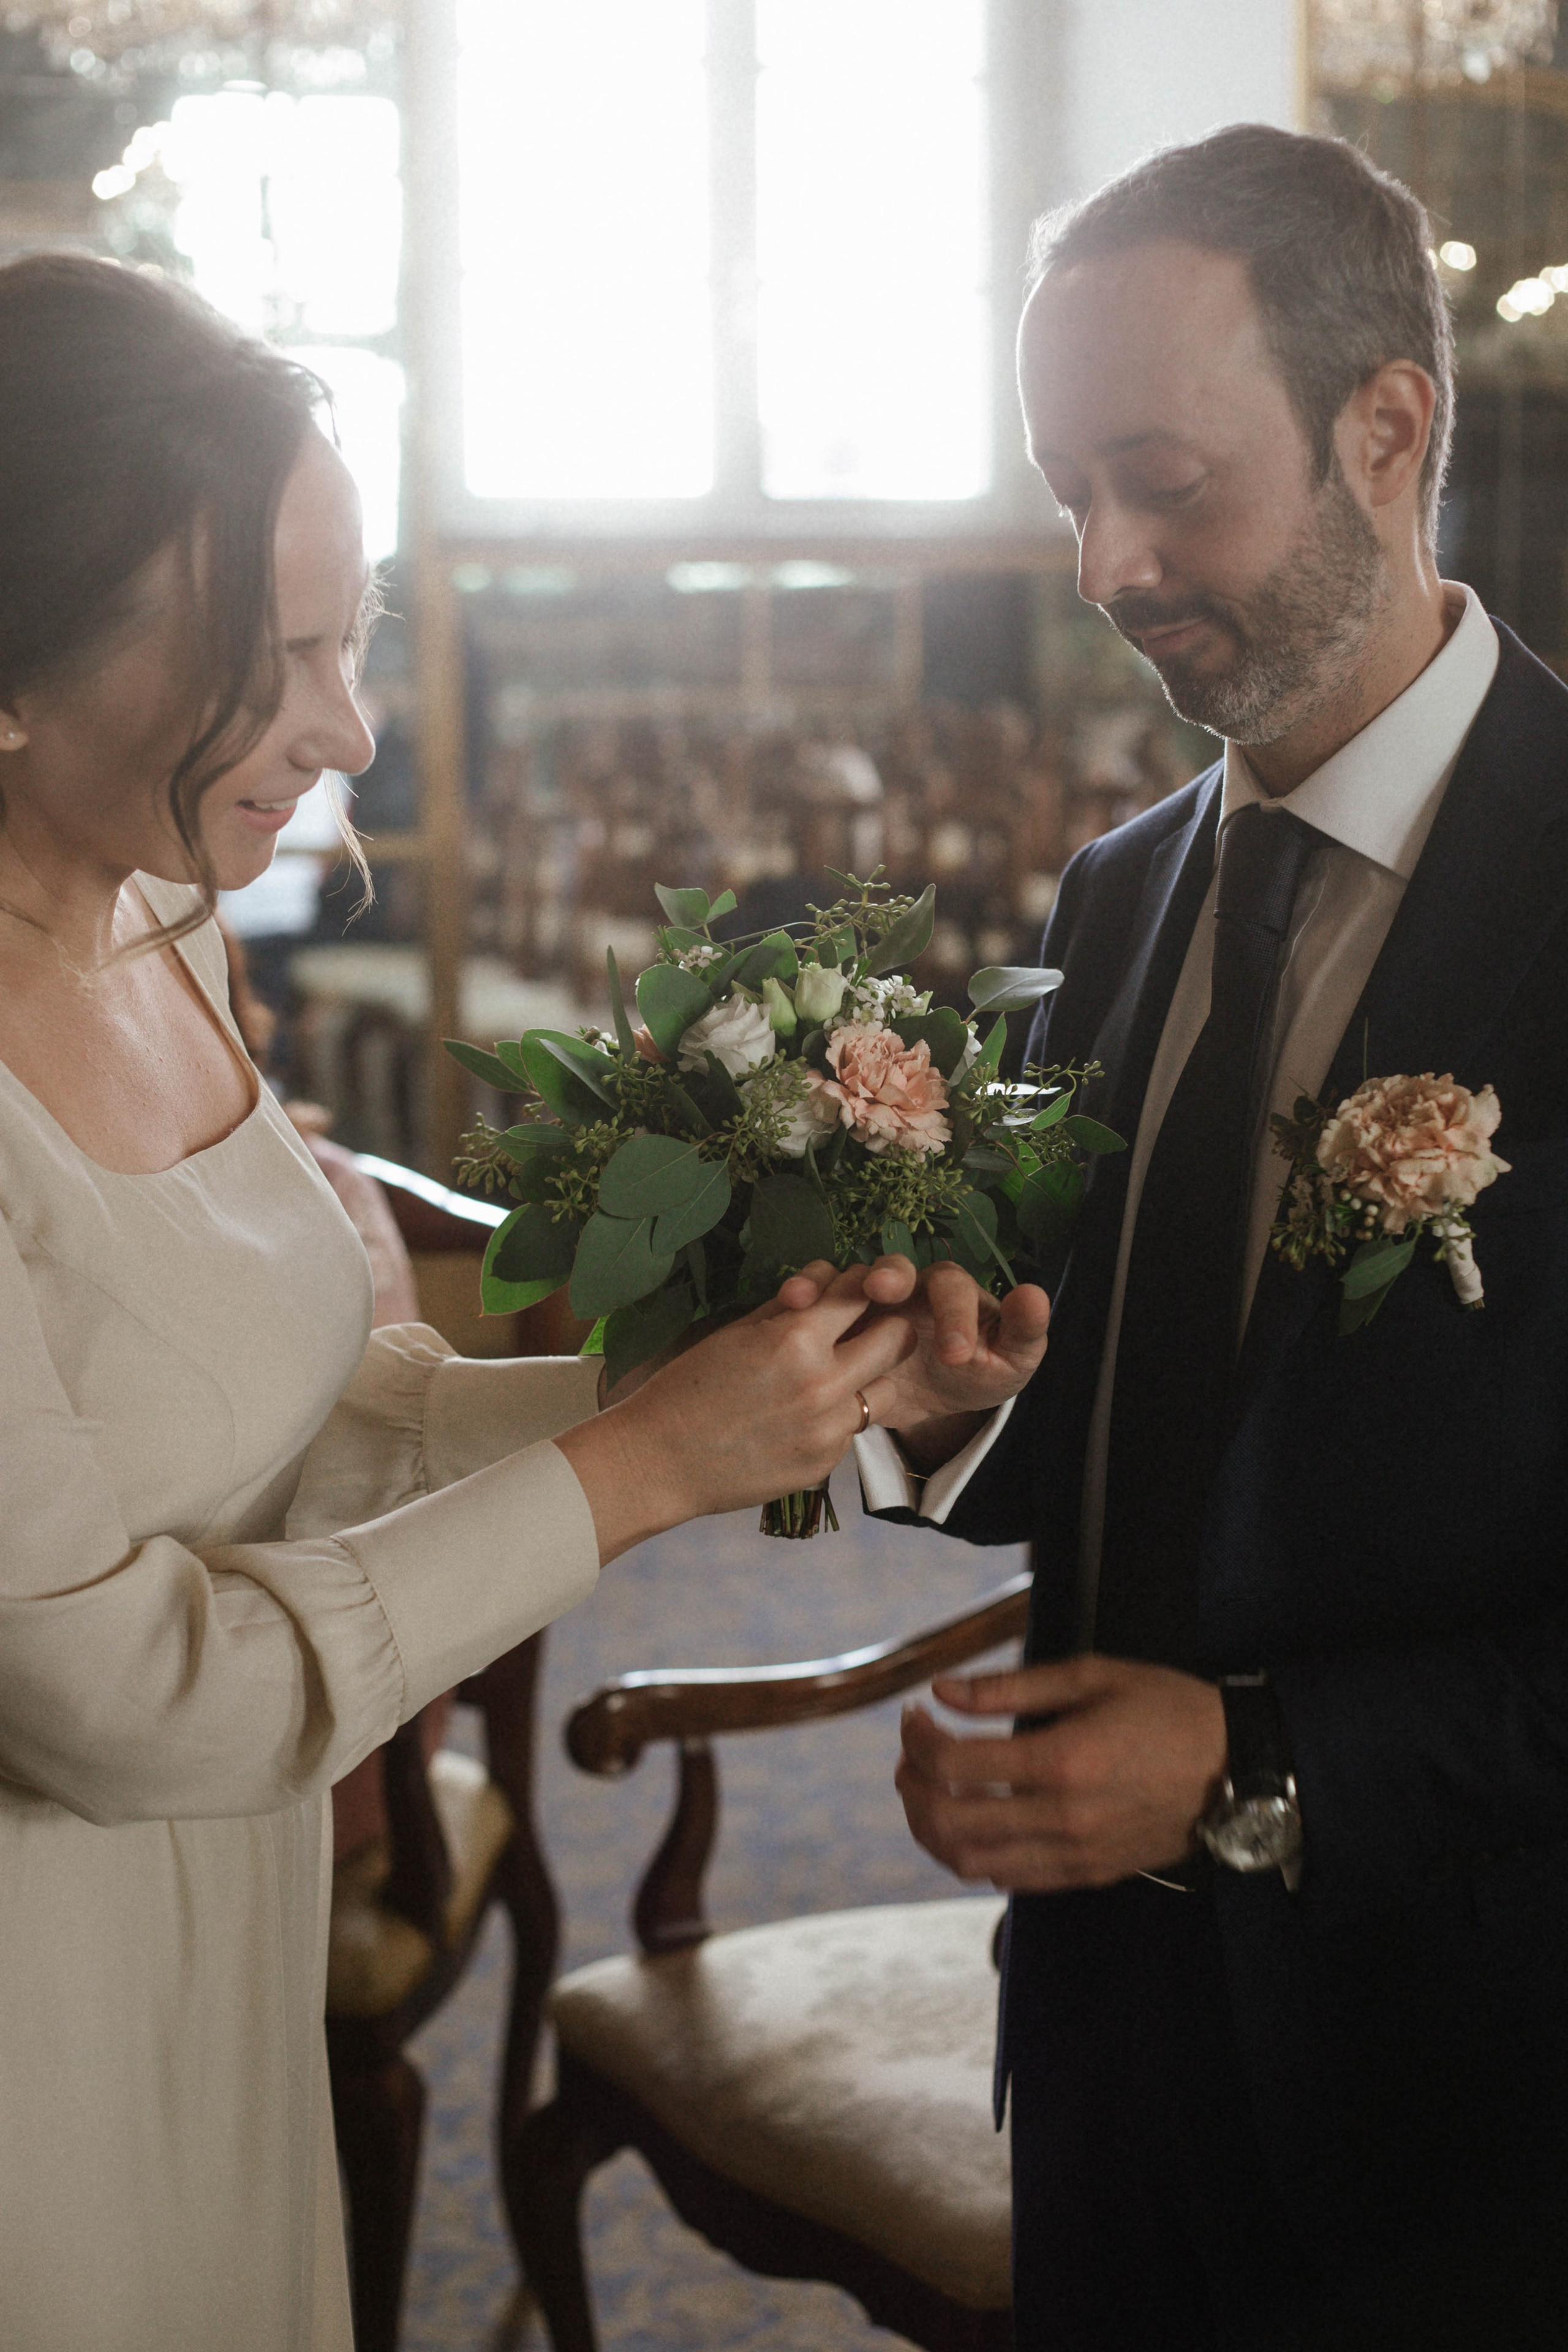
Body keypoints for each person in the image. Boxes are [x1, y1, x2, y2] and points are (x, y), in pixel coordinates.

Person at [0, 254, 1004, 2352]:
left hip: (224, 1936)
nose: (351, 730)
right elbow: (124, 1695)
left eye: (344, 638)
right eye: (268, 660)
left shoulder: (153, 917)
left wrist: (730, 1397)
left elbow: (300, 1416)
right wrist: (638, 1468)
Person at [835, 125, 1568, 2348]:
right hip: (1111, 2049)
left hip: (1478, 2105)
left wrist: (1262, 1767)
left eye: (1161, 476)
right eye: (1070, 491)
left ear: (1389, 428)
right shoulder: (1122, 888)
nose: (1106, 561)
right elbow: (1158, 1419)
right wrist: (958, 1410)